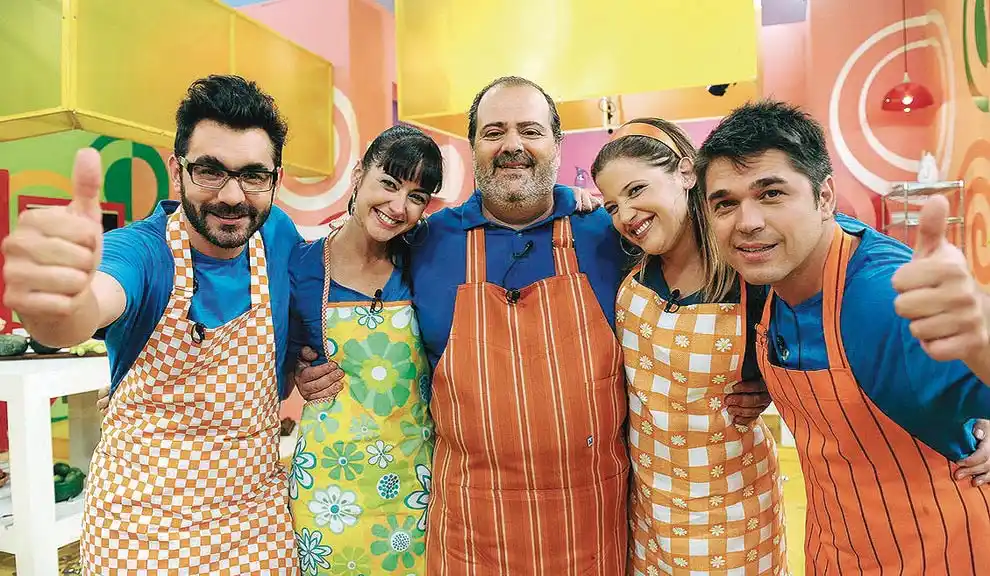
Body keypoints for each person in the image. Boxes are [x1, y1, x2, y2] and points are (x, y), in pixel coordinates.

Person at [2, 75, 301, 574]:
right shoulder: (142, 251)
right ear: (175, 170)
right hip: (140, 526)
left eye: (253, 175)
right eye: (209, 171)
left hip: (255, 521)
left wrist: (310, 362)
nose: (232, 196)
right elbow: (83, 308)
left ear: (275, 177)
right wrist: (53, 304)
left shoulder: (278, 235)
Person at [696, 99, 990, 575]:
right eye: (725, 203)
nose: (746, 222)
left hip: (941, 553)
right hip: (834, 549)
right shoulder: (771, 275)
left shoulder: (877, 298)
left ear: (824, 197)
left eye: (771, 193)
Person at [592, 118, 786, 575]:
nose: (626, 215)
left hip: (734, 516)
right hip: (649, 513)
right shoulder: (629, 273)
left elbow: (816, 356)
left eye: (637, 190)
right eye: (611, 205)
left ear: (685, 172)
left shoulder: (751, 276)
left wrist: (771, 388)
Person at [285, 124, 441, 576]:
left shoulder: (425, 258)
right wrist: (299, 370)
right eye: (388, 183)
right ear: (359, 176)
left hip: (417, 481)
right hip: (329, 487)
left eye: (417, 196)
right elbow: (271, 358)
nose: (398, 206)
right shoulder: (301, 265)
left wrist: (574, 198)